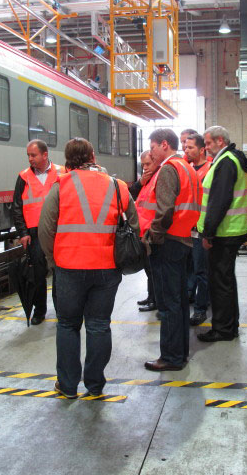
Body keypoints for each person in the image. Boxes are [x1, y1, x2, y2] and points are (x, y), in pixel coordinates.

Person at [38, 138, 139, 398]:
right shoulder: (118, 187)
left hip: (69, 267)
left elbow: (46, 229)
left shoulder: (60, 186)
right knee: (98, 325)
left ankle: (68, 386)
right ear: (93, 155)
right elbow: (135, 227)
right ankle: (95, 386)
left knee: (68, 325)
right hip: (106, 269)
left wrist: (53, 260)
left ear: (67, 159)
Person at [142, 128, 201, 371]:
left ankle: (170, 357)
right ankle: (180, 354)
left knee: (168, 305)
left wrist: (153, 236)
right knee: (177, 303)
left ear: (164, 144)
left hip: (167, 243)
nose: (151, 153)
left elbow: (164, 210)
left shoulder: (168, 169)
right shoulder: (187, 167)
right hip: (183, 239)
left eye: (153, 147)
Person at [197, 126, 247, 342]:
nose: (206, 147)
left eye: (208, 143)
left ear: (220, 140)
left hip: (224, 232)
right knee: (225, 280)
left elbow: (218, 202)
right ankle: (229, 326)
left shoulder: (226, 161)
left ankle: (223, 329)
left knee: (220, 282)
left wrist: (208, 234)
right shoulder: (229, 159)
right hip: (230, 230)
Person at [13, 139, 65, 325]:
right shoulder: (24, 177)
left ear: (45, 154)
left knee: (60, 271)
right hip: (34, 233)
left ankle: (62, 311)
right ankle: (40, 311)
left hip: (58, 230)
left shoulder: (62, 172)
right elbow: (17, 207)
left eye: (33, 155)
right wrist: (23, 232)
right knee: (37, 274)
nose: (30, 159)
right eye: (28, 155)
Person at [184, 133, 212, 326]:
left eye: (190, 147)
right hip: (188, 228)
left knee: (202, 271)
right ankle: (191, 301)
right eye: (185, 147)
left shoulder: (210, 169)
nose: (186, 151)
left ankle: (201, 310)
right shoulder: (188, 168)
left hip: (201, 228)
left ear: (202, 149)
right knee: (190, 270)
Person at [131, 150, 158, 312]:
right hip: (142, 231)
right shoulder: (145, 181)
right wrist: (141, 182)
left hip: (152, 231)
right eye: (143, 165)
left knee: (153, 269)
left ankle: (155, 300)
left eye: (148, 164)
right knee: (148, 269)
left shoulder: (159, 178)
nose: (146, 168)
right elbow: (132, 194)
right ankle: (150, 296)